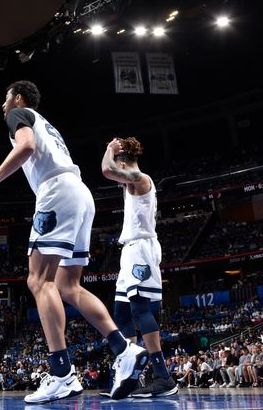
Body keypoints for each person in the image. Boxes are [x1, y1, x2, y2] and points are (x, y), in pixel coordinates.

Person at [0, 81, 148, 402]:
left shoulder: (18, 114)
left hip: (55, 194)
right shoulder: (48, 125)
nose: (2, 105)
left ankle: (62, 372)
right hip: (79, 192)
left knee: (39, 281)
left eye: (4, 97)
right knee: (68, 286)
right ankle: (124, 348)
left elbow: (24, 148)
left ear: (19, 98)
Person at [100, 137, 177, 398]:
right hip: (130, 250)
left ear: (122, 160)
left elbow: (107, 170)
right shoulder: (130, 179)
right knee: (120, 312)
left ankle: (164, 377)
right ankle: (131, 376)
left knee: (140, 308)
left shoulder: (139, 177)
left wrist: (109, 149)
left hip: (142, 248)